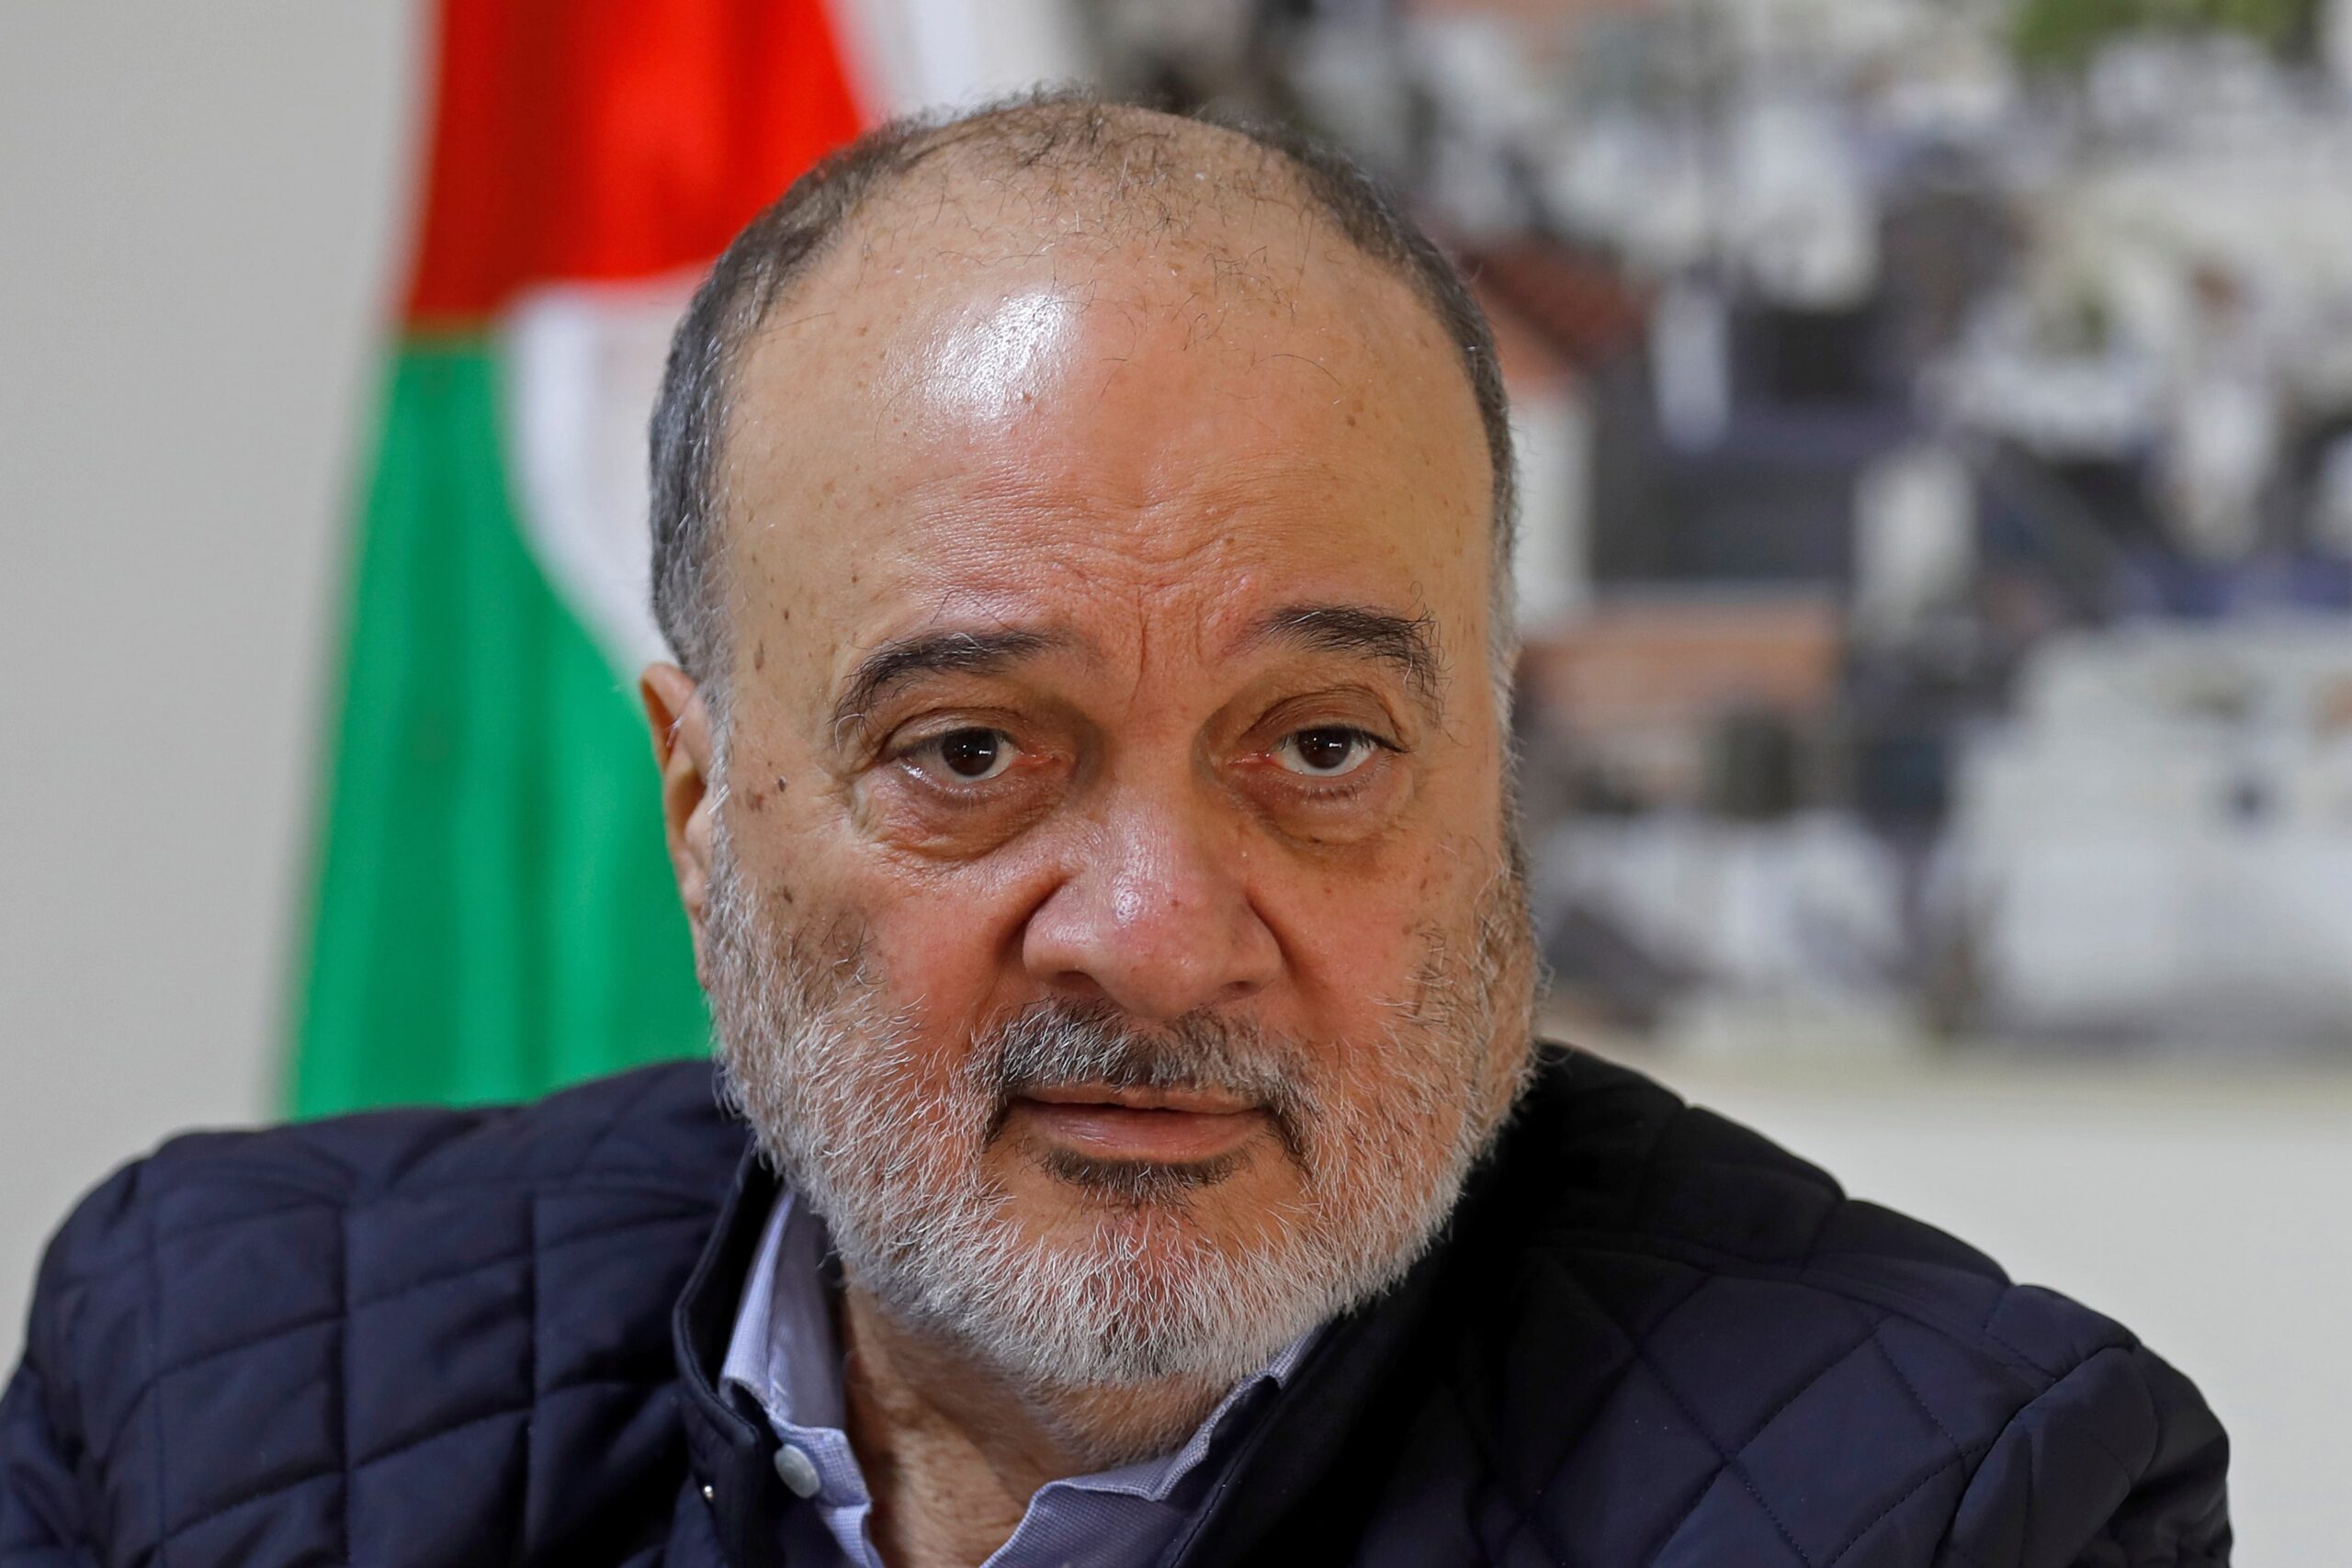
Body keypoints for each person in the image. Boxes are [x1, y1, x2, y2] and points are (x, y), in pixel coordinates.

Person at [0, 94, 2227, 1568]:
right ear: (695, 802)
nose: (1156, 938)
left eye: (1320, 747)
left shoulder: (1952, 1497)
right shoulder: (216, 1378)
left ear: (1490, 785)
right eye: (972, 751)